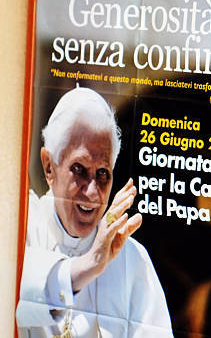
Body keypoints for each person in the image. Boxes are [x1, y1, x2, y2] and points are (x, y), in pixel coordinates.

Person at [17, 86, 173, 337]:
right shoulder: (19, 229)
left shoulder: (131, 260)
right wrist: (91, 263)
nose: (92, 192)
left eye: (103, 173)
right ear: (49, 167)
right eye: (79, 169)